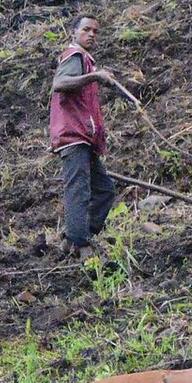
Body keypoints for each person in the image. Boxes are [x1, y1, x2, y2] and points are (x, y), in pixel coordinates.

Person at [49, 15, 120, 260]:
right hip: (73, 136)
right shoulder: (74, 56)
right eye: (86, 30)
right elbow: (60, 83)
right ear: (74, 32)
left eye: (95, 32)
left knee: (105, 190)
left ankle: (74, 237)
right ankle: (80, 244)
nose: (91, 35)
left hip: (84, 139)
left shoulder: (86, 61)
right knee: (78, 191)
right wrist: (94, 76)